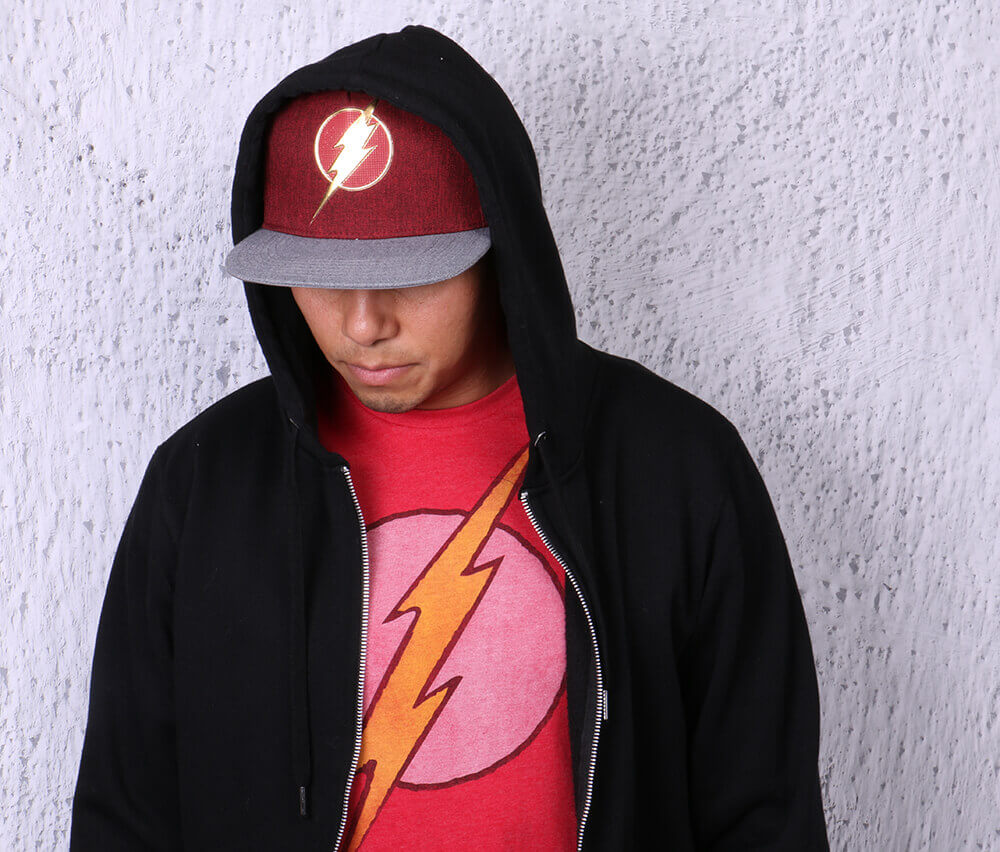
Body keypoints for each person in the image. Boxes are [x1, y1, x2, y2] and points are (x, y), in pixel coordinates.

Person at [70, 23, 830, 851]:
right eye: (319, 276)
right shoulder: (204, 482)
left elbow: (763, 814)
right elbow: (126, 815)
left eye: (412, 273)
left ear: (503, 250)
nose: (364, 325)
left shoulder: (675, 467)